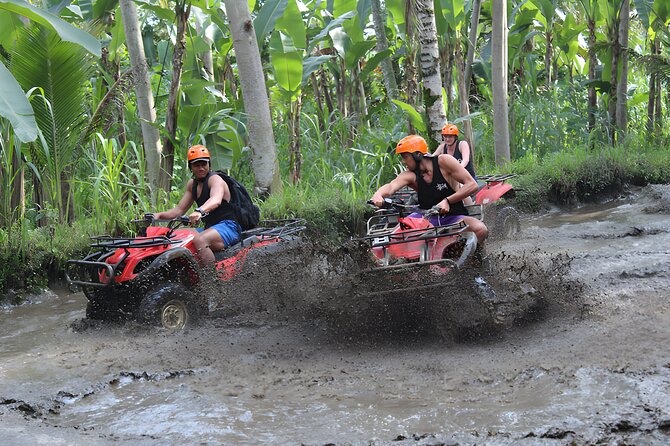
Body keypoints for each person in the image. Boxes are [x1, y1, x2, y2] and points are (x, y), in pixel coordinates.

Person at [370, 135, 488, 243]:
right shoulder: (410, 175)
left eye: (405, 157)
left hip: (453, 217)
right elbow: (391, 186)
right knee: (394, 238)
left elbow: (472, 185)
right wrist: (378, 194)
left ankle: (473, 260)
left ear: (418, 155)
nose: (403, 161)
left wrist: (447, 201)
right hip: (424, 218)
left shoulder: (443, 162)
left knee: (481, 229)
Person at [152, 145, 241, 264]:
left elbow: (216, 199)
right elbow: (179, 210)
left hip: (230, 226)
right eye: (196, 165)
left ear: (209, 164)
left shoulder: (216, 179)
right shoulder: (192, 185)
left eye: (204, 164)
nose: (201, 168)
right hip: (210, 227)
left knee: (199, 239)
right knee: (177, 237)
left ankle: (211, 278)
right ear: (191, 167)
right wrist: (158, 215)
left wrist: (199, 211)